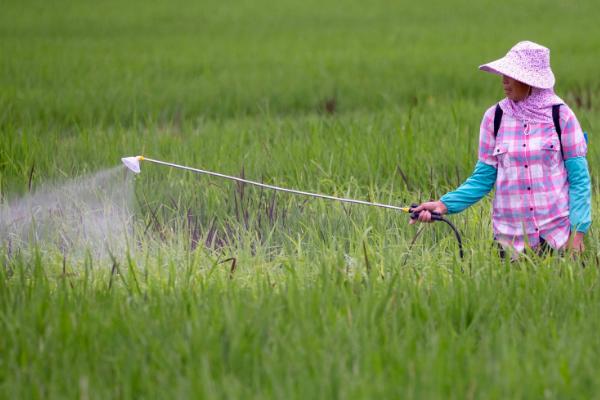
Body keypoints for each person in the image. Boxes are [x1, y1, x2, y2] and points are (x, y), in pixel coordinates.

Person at [410, 41, 591, 256]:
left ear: (531, 80)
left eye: (512, 74)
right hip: (510, 242)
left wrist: (577, 235)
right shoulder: (494, 118)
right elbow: (483, 179)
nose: (504, 81)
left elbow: (579, 181)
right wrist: (443, 205)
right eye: (503, 74)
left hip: (556, 238)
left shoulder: (561, 116)